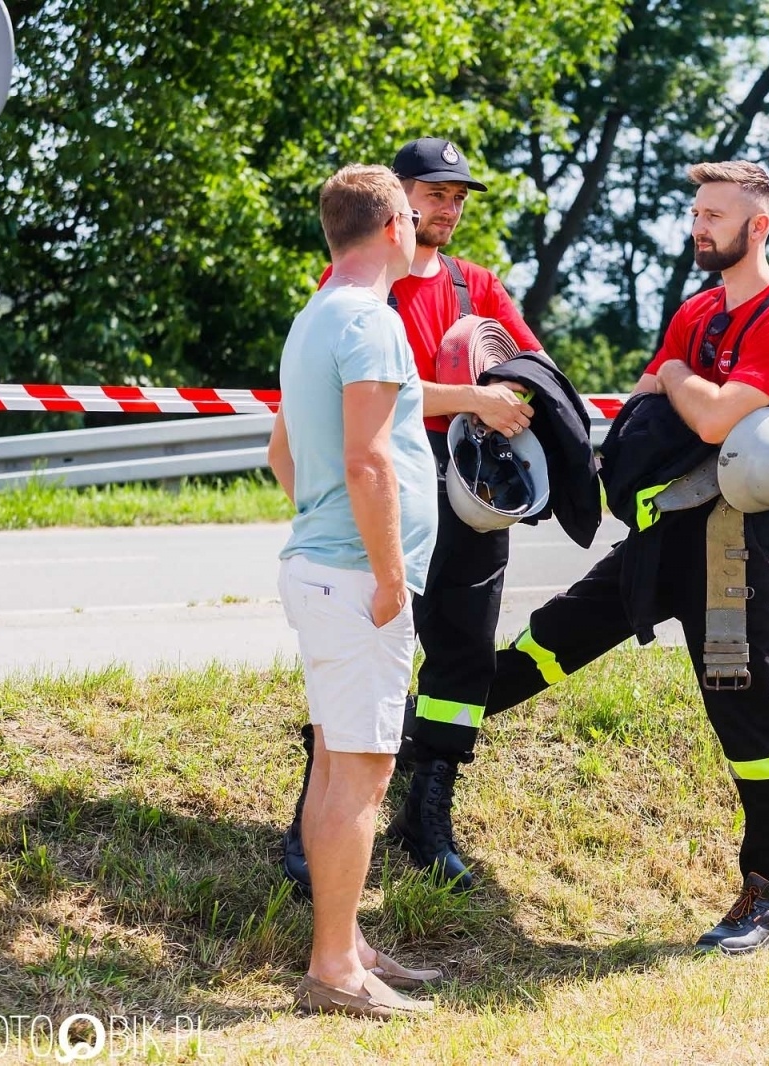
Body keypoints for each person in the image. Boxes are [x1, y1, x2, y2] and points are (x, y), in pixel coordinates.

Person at [481, 160, 769, 955]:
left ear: (758, 225)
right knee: (552, 638)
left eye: (715, 215)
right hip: (661, 535)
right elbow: (642, 411)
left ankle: (764, 899)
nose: (699, 226)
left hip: (735, 548)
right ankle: (416, 757)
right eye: (697, 212)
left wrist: (677, 376)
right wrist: (678, 383)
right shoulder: (697, 311)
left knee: (748, 711)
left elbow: (706, 420)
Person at [280, 138, 542, 895]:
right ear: (396, 201)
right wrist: (470, 397)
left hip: (467, 496)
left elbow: (525, 373)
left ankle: (427, 820)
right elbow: (369, 401)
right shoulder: (357, 289)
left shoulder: (477, 286)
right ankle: (315, 827)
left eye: (459, 197)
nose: (449, 208)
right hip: (387, 497)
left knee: (460, 661)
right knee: (355, 673)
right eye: (434, 193)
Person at [267, 163, 440, 1017]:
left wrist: (324, 522)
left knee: (337, 763)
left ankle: (350, 944)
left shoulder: (315, 317)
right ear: (391, 226)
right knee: (362, 777)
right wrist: (388, 575)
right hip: (356, 581)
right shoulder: (371, 324)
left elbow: (281, 455)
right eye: (414, 213)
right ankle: (334, 970)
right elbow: (370, 459)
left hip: (321, 568)